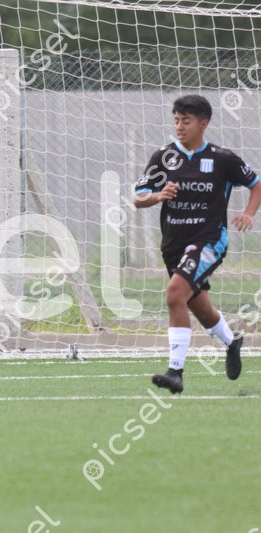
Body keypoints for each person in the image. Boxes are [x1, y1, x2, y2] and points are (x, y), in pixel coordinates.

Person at [133, 94, 261, 394]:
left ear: (204, 124)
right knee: (199, 308)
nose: (179, 127)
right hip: (173, 245)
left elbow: (256, 184)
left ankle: (175, 372)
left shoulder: (222, 159)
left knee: (174, 294)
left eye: (186, 121)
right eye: (176, 120)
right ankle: (232, 342)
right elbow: (139, 197)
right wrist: (158, 195)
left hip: (208, 241)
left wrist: (248, 213)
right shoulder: (165, 157)